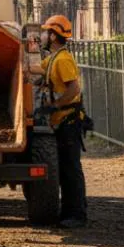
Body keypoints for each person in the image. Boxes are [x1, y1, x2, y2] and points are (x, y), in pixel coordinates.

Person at [30, 14, 88, 229]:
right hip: (62, 121)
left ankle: (77, 214)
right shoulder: (54, 58)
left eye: (45, 32)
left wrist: (56, 105)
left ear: (53, 36)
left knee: (70, 169)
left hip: (69, 121)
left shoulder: (63, 60)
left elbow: (74, 88)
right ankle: (70, 211)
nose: (43, 35)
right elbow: (38, 69)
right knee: (64, 168)